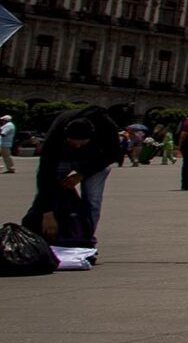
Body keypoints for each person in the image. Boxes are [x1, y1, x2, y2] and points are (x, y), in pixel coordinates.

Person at [23, 106, 123, 249]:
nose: (76, 146)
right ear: (65, 136)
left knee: (92, 200)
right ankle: (35, 235)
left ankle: (85, 239)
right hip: (62, 159)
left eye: (81, 143)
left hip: (94, 160)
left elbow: (112, 153)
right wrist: (47, 213)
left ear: (91, 137)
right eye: (72, 142)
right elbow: (46, 173)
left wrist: (82, 174)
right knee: (45, 193)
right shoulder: (58, 130)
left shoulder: (106, 126)